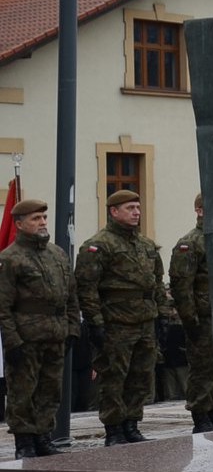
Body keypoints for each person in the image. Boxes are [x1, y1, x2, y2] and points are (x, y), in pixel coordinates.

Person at [75, 190, 177, 446]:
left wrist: (162, 316)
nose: (136, 213)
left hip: (144, 322)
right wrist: (95, 323)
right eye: (130, 208)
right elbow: (87, 289)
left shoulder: (146, 245)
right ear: (114, 211)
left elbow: (156, 285)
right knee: (114, 378)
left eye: (138, 208)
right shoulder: (98, 245)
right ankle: (114, 429)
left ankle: (132, 424)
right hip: (115, 323)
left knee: (141, 376)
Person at [0, 199, 79, 458]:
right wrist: (12, 341)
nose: (43, 222)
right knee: (23, 391)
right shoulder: (10, 259)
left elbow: (71, 296)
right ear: (20, 224)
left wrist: (72, 329)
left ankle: (44, 436)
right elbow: (3, 305)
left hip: (55, 334)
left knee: (50, 389)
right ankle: (24, 441)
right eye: (35, 219)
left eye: (44, 217)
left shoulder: (56, 254)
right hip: (26, 337)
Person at [169, 192, 213, 433]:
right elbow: (182, 286)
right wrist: (190, 319)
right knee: (202, 370)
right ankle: (201, 415)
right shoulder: (190, 243)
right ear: (200, 210)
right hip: (202, 318)